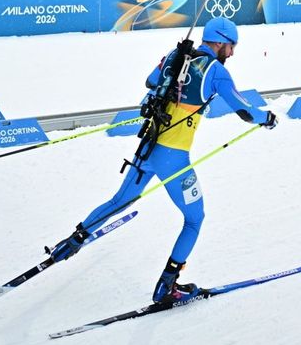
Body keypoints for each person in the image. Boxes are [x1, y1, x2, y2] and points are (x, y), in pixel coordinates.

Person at [46, 16, 277, 303]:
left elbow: (151, 81)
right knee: (195, 219)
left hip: (148, 148)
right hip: (173, 157)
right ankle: (167, 286)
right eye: (230, 46)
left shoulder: (175, 56)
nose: (232, 53)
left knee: (120, 201)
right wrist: (266, 118)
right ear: (218, 42)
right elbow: (244, 110)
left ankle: (71, 243)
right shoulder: (216, 71)